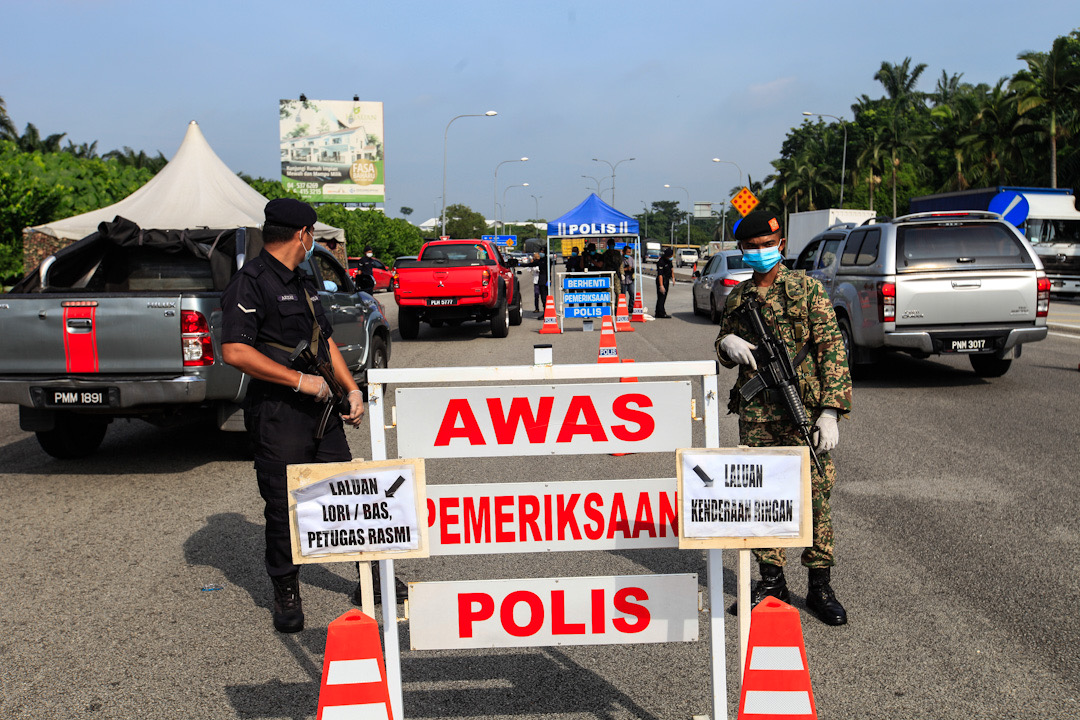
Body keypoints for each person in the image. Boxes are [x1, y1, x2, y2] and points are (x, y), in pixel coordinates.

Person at [220, 199, 402, 633]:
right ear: (301, 234)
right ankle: (286, 591)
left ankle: (371, 580)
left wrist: (352, 388)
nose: (313, 241)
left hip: (322, 412)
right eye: (312, 234)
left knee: (352, 498)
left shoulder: (302, 281)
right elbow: (235, 350)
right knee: (284, 507)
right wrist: (297, 381)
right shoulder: (251, 283)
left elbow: (325, 343)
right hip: (279, 413)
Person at [714, 209, 852, 626]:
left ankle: (819, 586)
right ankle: (771, 582)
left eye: (766, 246)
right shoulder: (738, 297)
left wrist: (831, 410)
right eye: (752, 247)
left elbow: (832, 349)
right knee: (763, 498)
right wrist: (727, 343)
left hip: (804, 412)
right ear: (742, 249)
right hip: (757, 417)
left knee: (815, 497)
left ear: (781, 245)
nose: (760, 253)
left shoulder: (807, 290)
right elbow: (720, 348)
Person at [654, 247, 673, 318]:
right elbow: (660, 275)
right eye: (670, 256)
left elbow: (671, 268)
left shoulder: (668, 261)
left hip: (666, 279)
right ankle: (661, 313)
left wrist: (673, 278)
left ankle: (658, 312)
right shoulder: (661, 262)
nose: (671, 257)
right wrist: (661, 285)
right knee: (661, 296)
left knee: (662, 297)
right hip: (661, 280)